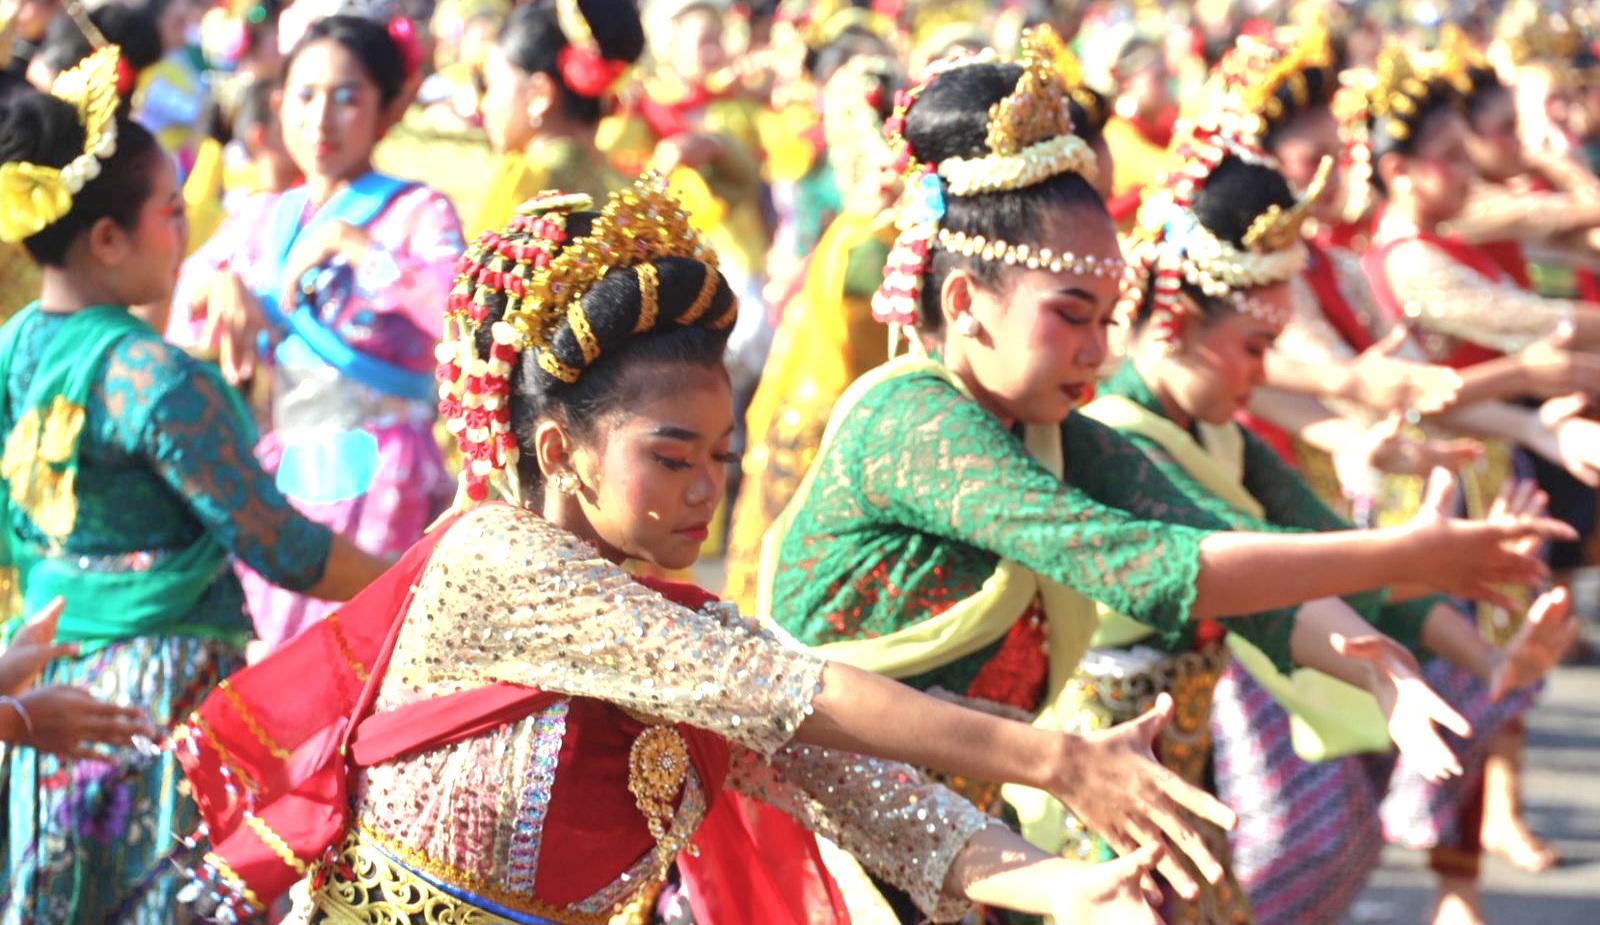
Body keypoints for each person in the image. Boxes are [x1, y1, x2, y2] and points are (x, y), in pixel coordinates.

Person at [173, 176, 1248, 925]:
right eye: (671, 456)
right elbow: (793, 691)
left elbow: (869, 792)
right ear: (559, 450)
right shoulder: (494, 559)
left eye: (722, 458)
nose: (706, 489)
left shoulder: (665, 623)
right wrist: (1055, 760)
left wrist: (1062, 884)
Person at [761, 33, 1568, 923]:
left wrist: (1390, 650)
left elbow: (1232, 553)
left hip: (968, 833)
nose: (1097, 350)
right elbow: (1148, 563)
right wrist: (1403, 555)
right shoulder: (911, 419)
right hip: (833, 850)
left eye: (1107, 317)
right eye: (1072, 315)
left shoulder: (1058, 433)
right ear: (962, 303)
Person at [1092, 134, 1577, 925]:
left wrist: (1486, 652)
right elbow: (1272, 572)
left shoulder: (1221, 430)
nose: (1265, 375)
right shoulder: (1116, 438)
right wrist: (1417, 563)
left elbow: (1318, 548)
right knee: (1294, 846)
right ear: (1175, 322)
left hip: (1182, 756)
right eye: (1256, 348)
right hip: (1097, 780)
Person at [0, 47, 385, 924]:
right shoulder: (155, 376)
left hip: (40, 678)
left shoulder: (14, 345)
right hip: (149, 696)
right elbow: (284, 547)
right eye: (172, 213)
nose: (184, 234)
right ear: (108, 238)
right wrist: (411, 576)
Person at [174, 10, 464, 652]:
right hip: (280, 475)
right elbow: (181, 303)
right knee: (273, 663)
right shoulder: (259, 217)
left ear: (387, 108)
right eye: (304, 95)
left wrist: (362, 250)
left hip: (385, 475)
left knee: (360, 659)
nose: (321, 118)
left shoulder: (418, 212)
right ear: (279, 103)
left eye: (347, 97)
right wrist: (216, 286)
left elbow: (460, 316)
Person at [473, 0, 638, 237]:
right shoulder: (633, 194)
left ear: (539, 95)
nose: (483, 104)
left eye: (491, 84)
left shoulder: (525, 184)